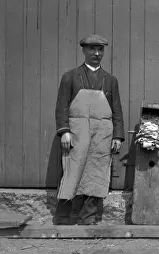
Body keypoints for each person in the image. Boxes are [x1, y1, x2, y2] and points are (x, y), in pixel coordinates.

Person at [54, 34, 125, 225]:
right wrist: (64, 131)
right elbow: (61, 107)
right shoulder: (70, 77)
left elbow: (117, 109)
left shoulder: (110, 80)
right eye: (92, 49)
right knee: (71, 172)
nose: (96, 53)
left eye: (100, 49)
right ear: (83, 50)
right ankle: (62, 218)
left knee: (96, 173)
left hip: (102, 134)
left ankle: (88, 218)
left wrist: (117, 135)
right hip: (77, 133)